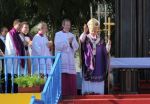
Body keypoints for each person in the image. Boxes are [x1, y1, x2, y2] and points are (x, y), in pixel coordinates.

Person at [80, 18, 111, 94]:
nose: (93, 31)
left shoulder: (101, 40)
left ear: (97, 30)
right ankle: (87, 92)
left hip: (99, 63)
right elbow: (81, 40)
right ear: (89, 29)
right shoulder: (86, 38)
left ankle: (98, 93)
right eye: (92, 29)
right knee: (88, 76)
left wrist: (108, 46)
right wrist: (84, 32)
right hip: (88, 62)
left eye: (95, 29)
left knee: (99, 77)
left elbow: (105, 51)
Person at [55, 19, 79, 96]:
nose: (68, 26)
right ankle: (63, 95)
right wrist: (67, 42)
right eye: (67, 25)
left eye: (69, 25)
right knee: (63, 77)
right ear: (63, 25)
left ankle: (72, 95)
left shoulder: (72, 35)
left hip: (70, 59)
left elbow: (76, 47)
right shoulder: (58, 34)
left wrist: (72, 43)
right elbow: (57, 46)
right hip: (63, 59)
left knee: (71, 78)